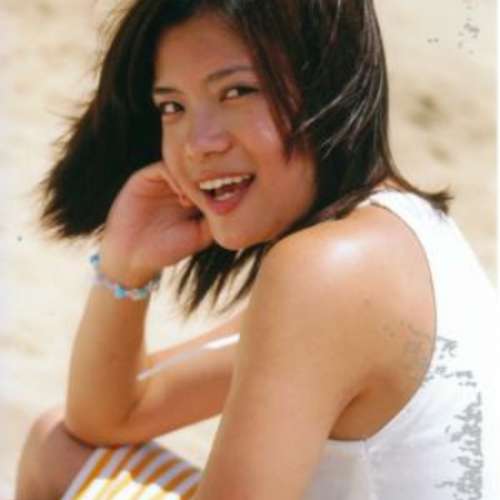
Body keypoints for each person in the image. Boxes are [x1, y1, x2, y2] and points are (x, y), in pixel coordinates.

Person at [14, 0, 499, 499]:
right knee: (57, 447)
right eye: (173, 107)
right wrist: (124, 268)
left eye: (237, 91)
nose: (197, 144)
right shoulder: (399, 230)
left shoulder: (329, 271)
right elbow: (108, 416)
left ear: (326, 80)